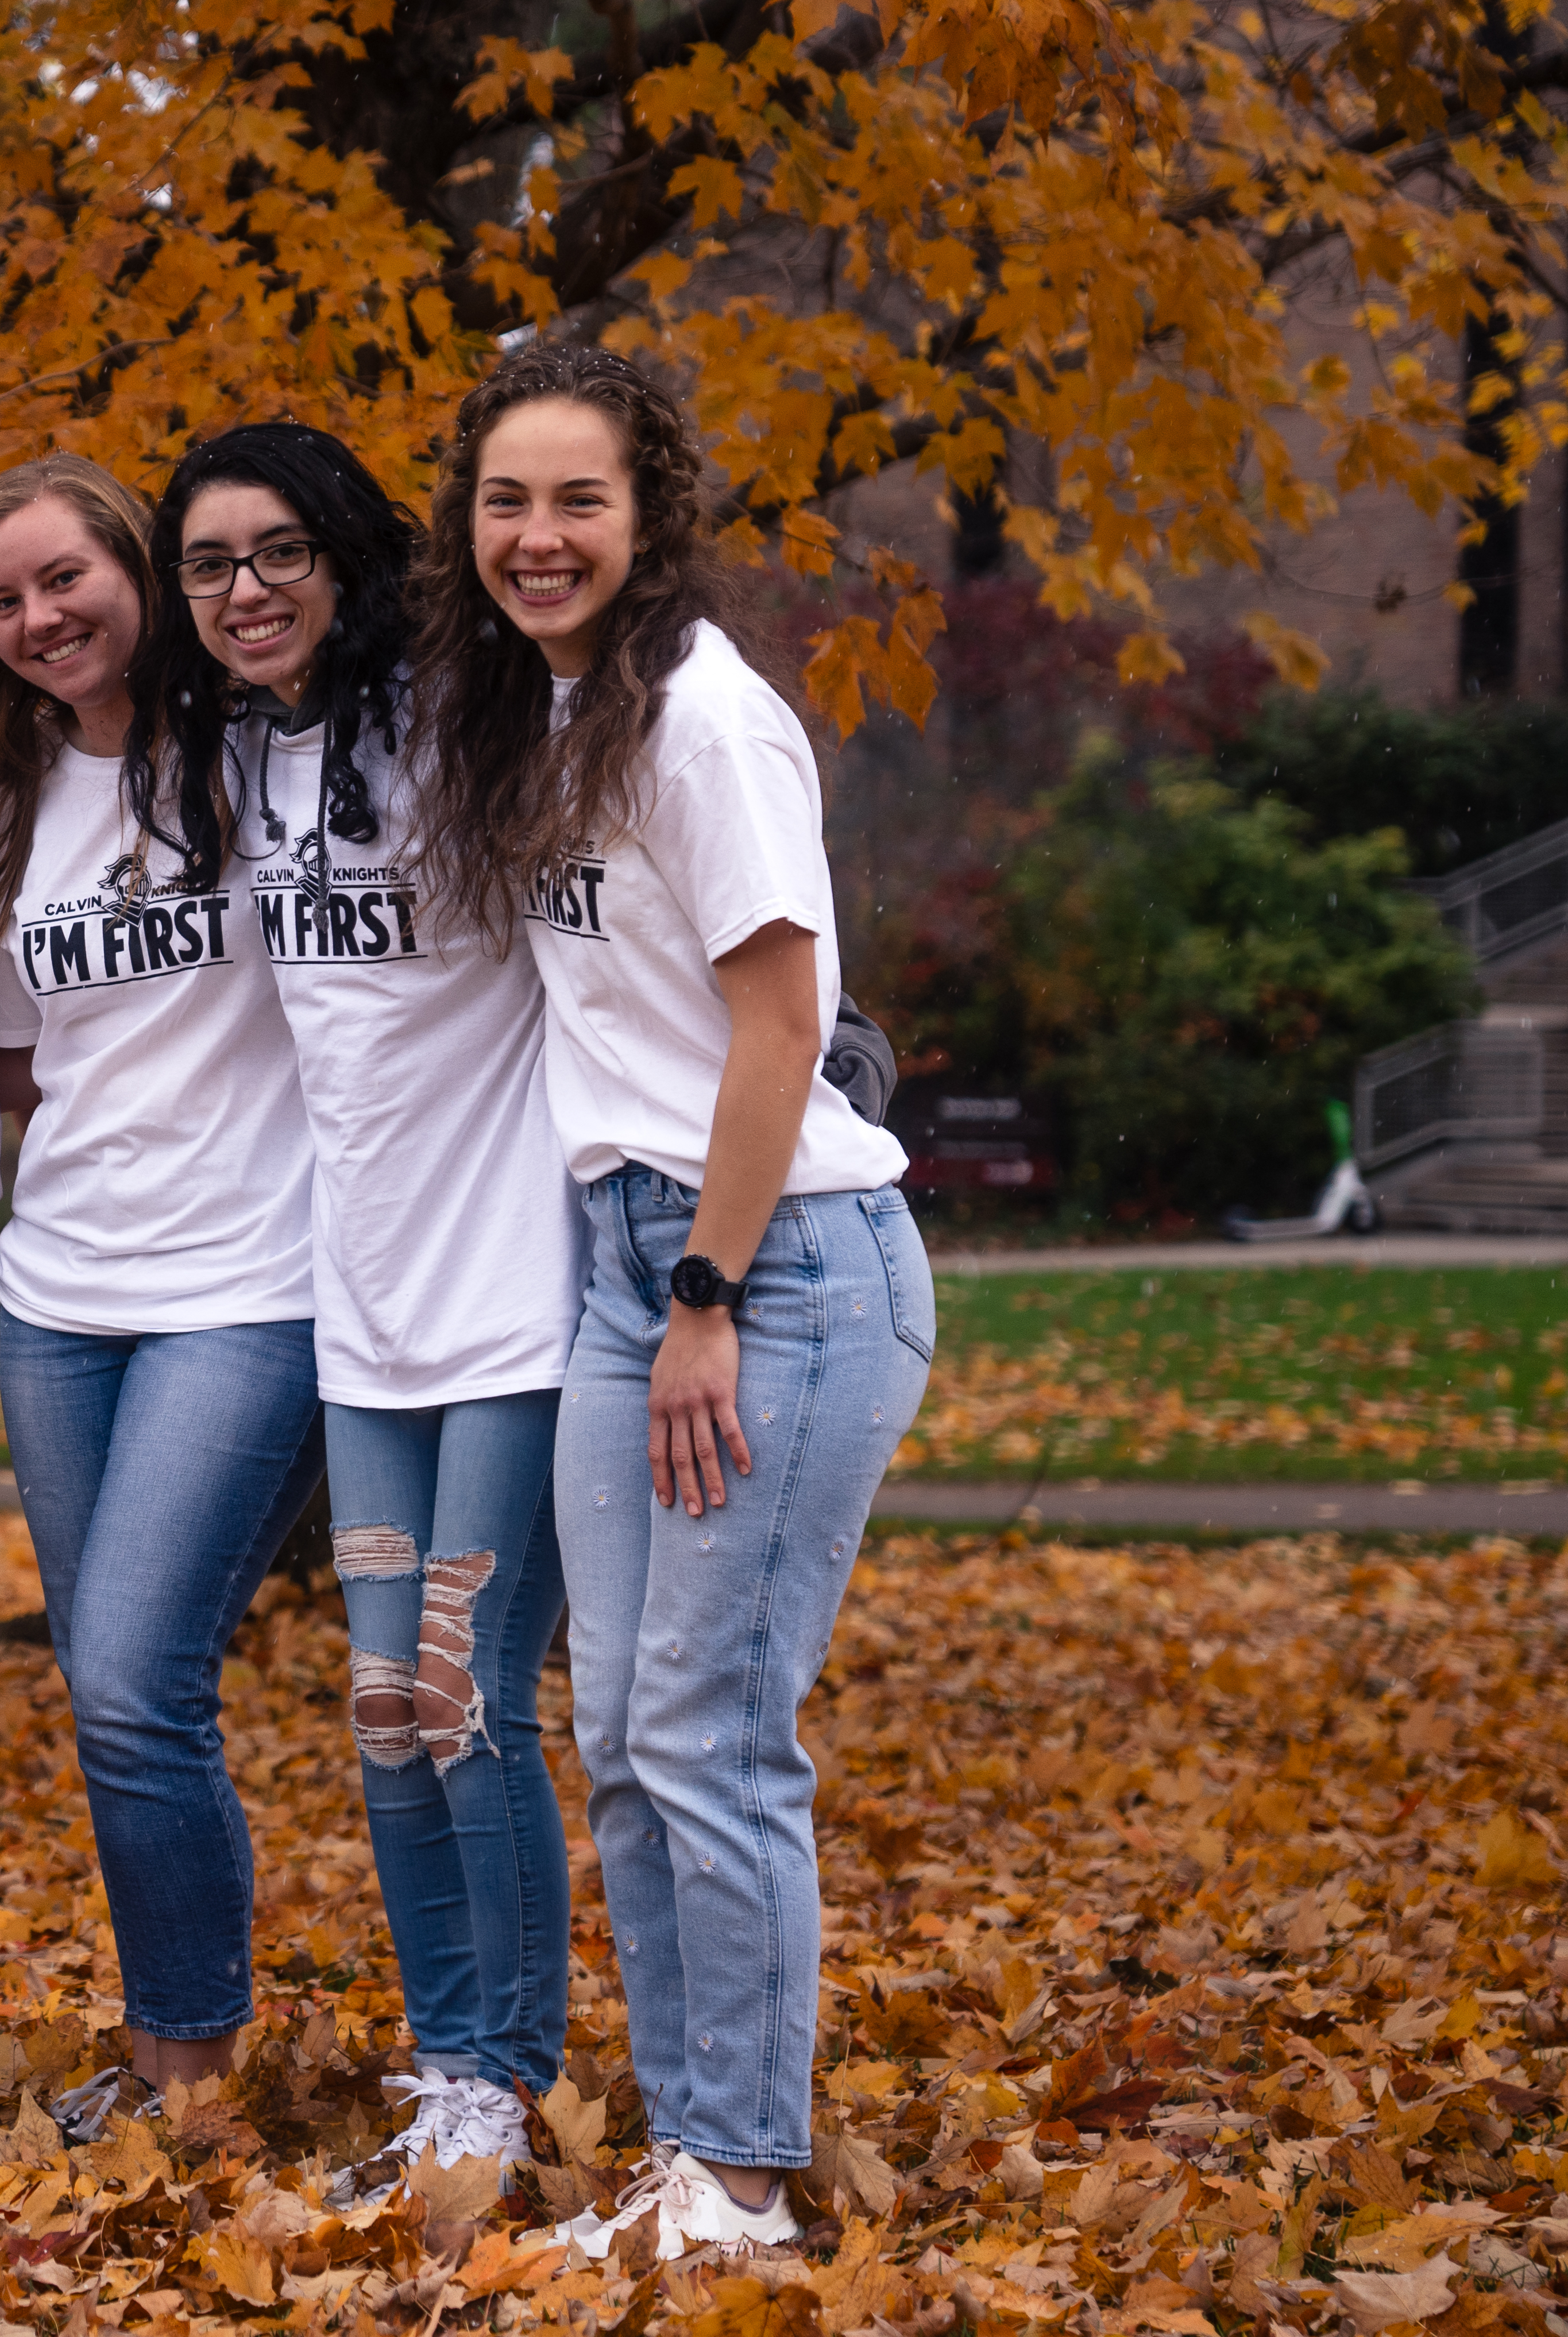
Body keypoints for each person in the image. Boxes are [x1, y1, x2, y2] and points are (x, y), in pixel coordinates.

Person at [414, 341, 929, 2260]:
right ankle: (697, 2152)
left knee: (711, 1727)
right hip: (633, 1260)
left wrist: (705, 1287)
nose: (536, 536)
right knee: (625, 1730)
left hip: (771, 1264)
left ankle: (743, 2173)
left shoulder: (701, 721)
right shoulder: (539, 716)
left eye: (577, 501)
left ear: (647, 520)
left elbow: (783, 1022)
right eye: (504, 501)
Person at [123, 423, 585, 2198]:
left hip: (517, 1304)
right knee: (386, 1708)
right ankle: (446, 2058)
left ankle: (505, 2074)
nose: (243, 592)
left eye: (278, 554)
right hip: (366, 1316)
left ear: (347, 557)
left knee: (468, 1701)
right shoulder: (228, 758)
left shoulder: (469, 727)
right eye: (210, 564)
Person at [0, 455, 323, 2130]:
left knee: (129, 1673)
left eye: (64, 578)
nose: (39, 618)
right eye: (5, 600)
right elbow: (31, 1063)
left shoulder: (258, 756)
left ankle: (195, 2059)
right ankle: (169, 2051)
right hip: (61, 1292)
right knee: (117, 1700)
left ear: (137, 572)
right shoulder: (6, 798)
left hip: (245, 1283)